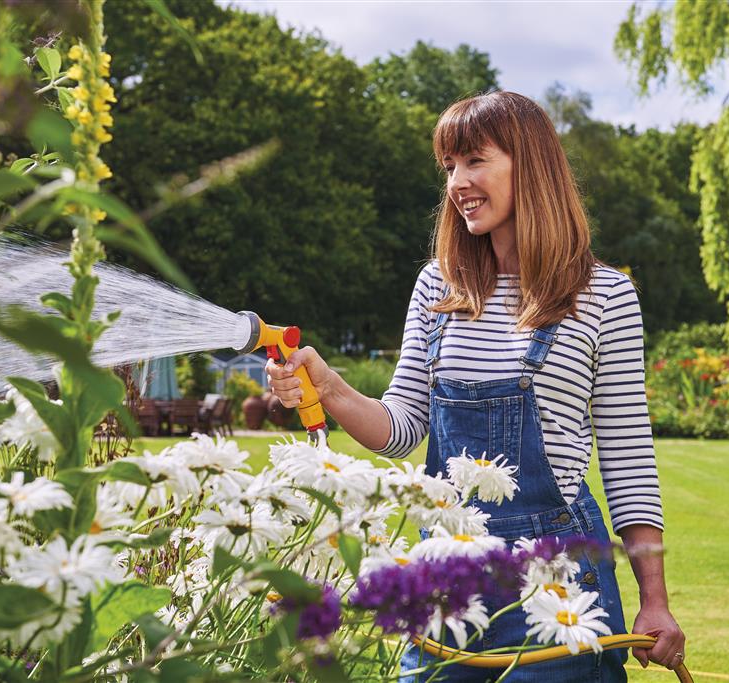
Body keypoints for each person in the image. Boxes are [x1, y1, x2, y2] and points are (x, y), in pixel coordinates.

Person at [267, 90, 685, 681]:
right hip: (445, 579)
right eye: (449, 166)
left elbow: (629, 460)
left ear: (530, 167)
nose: (457, 183)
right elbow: (402, 429)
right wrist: (329, 386)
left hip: (559, 586)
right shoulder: (437, 287)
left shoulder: (605, 296)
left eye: (474, 161)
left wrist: (655, 601)